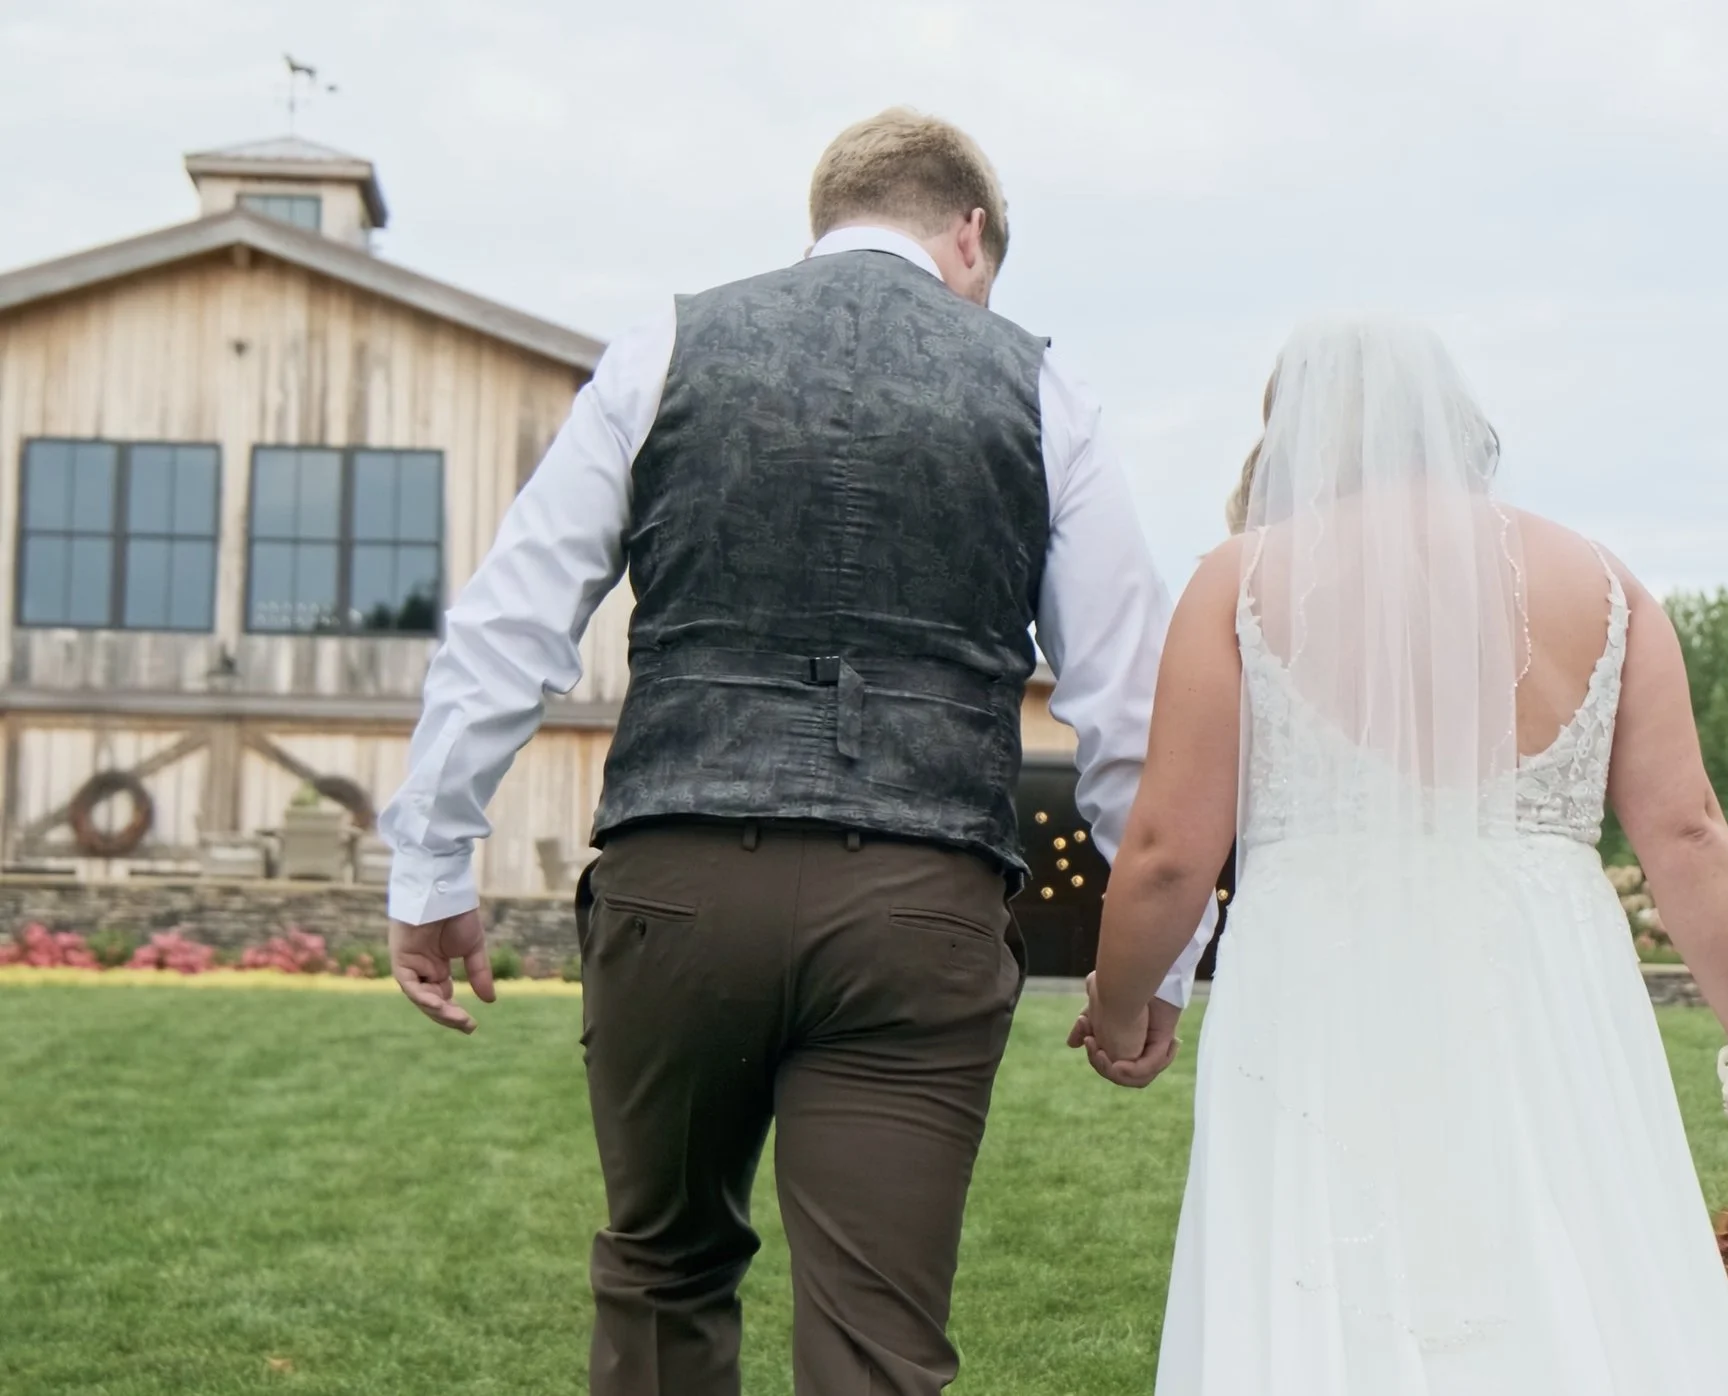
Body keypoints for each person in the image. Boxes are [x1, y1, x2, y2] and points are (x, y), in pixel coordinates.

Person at [376, 108, 1213, 1396]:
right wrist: (1161, 956)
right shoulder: (1040, 390)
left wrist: (431, 867)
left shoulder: (668, 346)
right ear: (971, 234)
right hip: (920, 903)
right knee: (877, 1347)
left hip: (678, 885)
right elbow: (1126, 704)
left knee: (661, 1279)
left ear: (823, 222)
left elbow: (508, 624)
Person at [1072, 316, 1728, 1393]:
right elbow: (1687, 830)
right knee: (1569, 1259)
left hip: (1323, 984)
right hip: (1549, 986)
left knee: (1332, 1273)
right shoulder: (1604, 584)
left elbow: (1168, 853)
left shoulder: (1240, 579)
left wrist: (1127, 999)